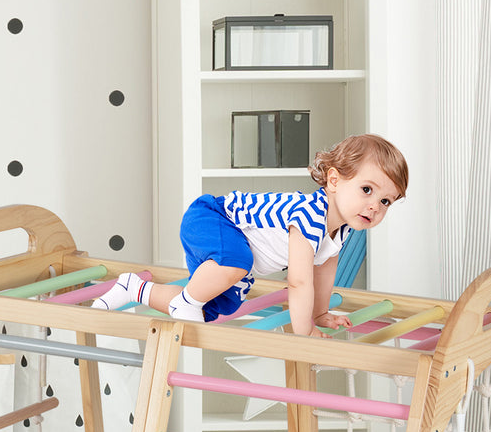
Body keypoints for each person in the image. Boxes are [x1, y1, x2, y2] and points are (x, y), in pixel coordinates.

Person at [94, 133, 408, 336]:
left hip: (235, 246)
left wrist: (321, 313)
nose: (374, 207)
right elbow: (299, 282)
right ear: (335, 180)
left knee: (218, 307)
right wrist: (306, 332)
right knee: (235, 262)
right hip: (212, 217)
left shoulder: (341, 230)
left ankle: (134, 289)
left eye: (385, 202)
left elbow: (323, 272)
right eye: (367, 190)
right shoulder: (311, 215)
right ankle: (187, 301)